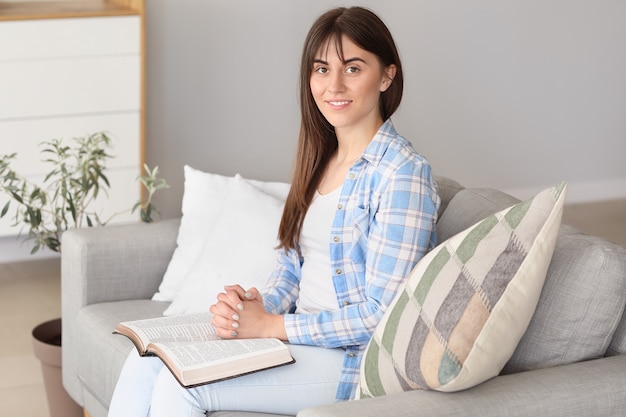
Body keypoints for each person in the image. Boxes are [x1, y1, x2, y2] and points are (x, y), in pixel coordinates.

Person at [108, 6, 440, 416]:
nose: (333, 84)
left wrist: (271, 327)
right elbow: (295, 269)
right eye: (321, 69)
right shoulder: (321, 160)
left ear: (387, 75)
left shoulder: (403, 174)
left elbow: (380, 315)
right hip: (301, 338)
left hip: (353, 360)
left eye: (353, 69)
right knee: (144, 361)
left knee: (185, 387)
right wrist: (256, 305)